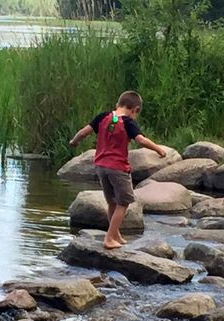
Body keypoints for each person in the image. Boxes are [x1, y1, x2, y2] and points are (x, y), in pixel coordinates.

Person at [69, 91, 166, 250]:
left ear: (117, 105)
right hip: (118, 168)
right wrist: (158, 149)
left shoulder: (102, 117)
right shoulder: (128, 122)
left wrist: (74, 141)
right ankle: (109, 238)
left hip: (101, 166)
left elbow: (84, 131)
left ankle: (115, 234)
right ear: (135, 110)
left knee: (111, 202)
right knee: (123, 203)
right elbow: (141, 140)